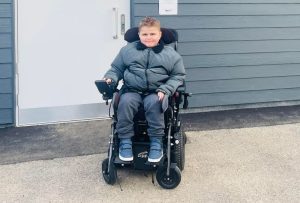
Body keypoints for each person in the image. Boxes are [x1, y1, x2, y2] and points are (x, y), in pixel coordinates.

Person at [103, 16, 185, 163]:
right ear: (139, 35)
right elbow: (116, 69)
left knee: (155, 103)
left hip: (156, 91)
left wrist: (165, 89)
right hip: (132, 90)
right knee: (125, 102)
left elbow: (178, 76)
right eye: (145, 34)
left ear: (160, 34)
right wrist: (111, 78)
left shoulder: (171, 54)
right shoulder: (127, 50)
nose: (149, 37)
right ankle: (125, 142)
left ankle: (156, 142)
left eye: (152, 34)